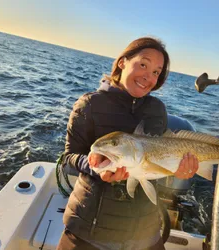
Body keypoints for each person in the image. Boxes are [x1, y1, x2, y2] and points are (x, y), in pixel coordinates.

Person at [56, 37, 199, 250]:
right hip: (89, 231)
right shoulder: (90, 104)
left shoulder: (157, 109)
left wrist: (178, 170)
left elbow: (156, 157)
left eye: (156, 72)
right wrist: (96, 168)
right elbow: (67, 160)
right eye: (143, 64)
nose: (148, 77)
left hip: (144, 232)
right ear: (122, 62)